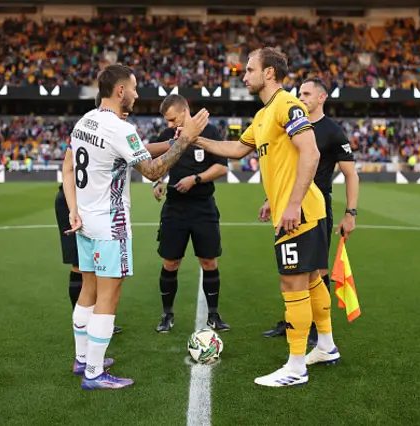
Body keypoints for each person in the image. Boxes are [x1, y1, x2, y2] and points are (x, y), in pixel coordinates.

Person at [194, 47, 337, 387]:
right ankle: (327, 347)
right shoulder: (262, 115)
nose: (244, 76)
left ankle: (296, 365)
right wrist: (194, 138)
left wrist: (291, 204)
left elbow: (311, 152)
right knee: (313, 279)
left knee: (293, 283)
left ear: (269, 72)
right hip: (301, 209)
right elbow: (236, 149)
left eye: (249, 69)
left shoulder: (287, 104)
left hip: (300, 212)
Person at [61, 64, 210, 390]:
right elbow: (154, 171)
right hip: (110, 224)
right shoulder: (118, 128)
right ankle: (94, 374)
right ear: (119, 91)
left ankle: (83, 359)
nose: (137, 94)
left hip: (85, 221)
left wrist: (73, 209)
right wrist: (185, 139)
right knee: (108, 297)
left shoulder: (85, 121)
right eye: (134, 88)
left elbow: (68, 167)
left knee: (88, 290)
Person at [261, 78, 359, 348]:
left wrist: (350, 212)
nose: (300, 97)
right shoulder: (291, 125)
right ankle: (294, 320)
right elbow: (285, 169)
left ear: (321, 98)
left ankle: (318, 329)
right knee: (294, 270)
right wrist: (271, 200)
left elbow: (351, 174)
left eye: (306, 93)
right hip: (290, 204)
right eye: (299, 92)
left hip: (316, 207)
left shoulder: (332, 131)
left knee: (317, 269)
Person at [151, 94, 230, 333]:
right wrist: (157, 181)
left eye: (173, 119)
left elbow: (222, 167)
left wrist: (196, 179)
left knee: (209, 261)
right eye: (167, 120)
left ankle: (214, 315)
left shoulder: (210, 131)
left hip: (203, 206)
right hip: (175, 207)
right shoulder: (167, 136)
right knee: (170, 262)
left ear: (185, 111)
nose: (170, 125)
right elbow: (155, 165)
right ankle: (167, 315)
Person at [54, 183, 123, 334]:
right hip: (75, 202)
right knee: (80, 264)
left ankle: (92, 319)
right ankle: (82, 321)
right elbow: (69, 170)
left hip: (94, 203)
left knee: (95, 266)